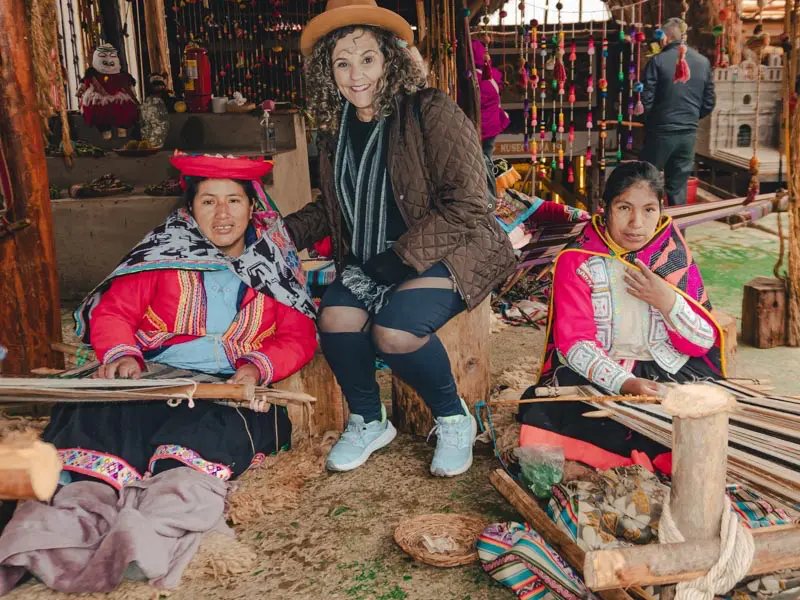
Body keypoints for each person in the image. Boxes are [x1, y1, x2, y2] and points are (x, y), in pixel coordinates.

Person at [289, 0, 516, 477]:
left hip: (454, 250)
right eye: (342, 63)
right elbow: (334, 209)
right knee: (335, 319)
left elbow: (473, 201)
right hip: (375, 259)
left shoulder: (428, 110)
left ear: (389, 58)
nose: (356, 76)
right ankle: (369, 420)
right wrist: (282, 231)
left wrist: (401, 260)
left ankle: (455, 419)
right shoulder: (336, 132)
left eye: (366, 59)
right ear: (328, 72)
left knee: (392, 330)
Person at [43, 153, 318, 488]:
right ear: (191, 208)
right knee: (96, 441)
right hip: (153, 382)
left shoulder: (273, 264)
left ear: (251, 207)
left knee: (188, 467)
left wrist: (256, 368)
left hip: (225, 391)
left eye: (233, 200)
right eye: (208, 202)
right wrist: (124, 354)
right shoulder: (163, 254)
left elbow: (298, 336)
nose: (222, 214)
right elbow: (115, 311)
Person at [519, 161, 725, 471]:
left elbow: (702, 342)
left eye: (649, 210)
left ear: (661, 210)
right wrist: (625, 383)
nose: (636, 224)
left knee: (709, 416)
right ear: (604, 207)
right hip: (602, 374)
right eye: (624, 208)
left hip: (668, 372)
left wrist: (667, 301)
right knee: (554, 413)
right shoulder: (579, 259)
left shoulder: (671, 255)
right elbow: (575, 344)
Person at [640, 18, 715, 206]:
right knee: (678, 187)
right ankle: (677, 233)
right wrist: (689, 119)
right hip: (688, 134)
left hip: (660, 132)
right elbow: (709, 102)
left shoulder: (657, 61)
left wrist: (651, 121)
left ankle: (651, 231)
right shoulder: (703, 62)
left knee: (648, 183)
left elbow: (645, 100)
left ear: (664, 37)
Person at [472, 39, 511, 158]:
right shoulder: (492, 75)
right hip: (492, 125)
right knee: (487, 156)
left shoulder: (471, 78)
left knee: (477, 158)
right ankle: (487, 176)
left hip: (477, 126)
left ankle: (486, 175)